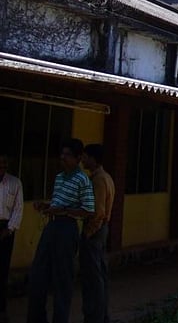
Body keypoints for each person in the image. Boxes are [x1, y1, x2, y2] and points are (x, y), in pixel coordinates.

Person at [27, 138, 95, 323]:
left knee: (62, 278)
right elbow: (57, 202)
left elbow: (88, 210)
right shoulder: (59, 177)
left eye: (68, 155)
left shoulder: (83, 180)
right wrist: (46, 206)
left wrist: (64, 210)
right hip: (52, 226)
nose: (63, 158)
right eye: (62, 154)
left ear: (78, 158)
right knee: (38, 274)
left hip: (67, 228)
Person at [79, 144, 114, 323]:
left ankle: (95, 316)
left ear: (93, 159)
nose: (83, 160)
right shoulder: (106, 177)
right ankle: (101, 315)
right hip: (101, 229)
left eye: (85, 156)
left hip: (95, 230)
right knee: (99, 274)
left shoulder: (98, 180)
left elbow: (98, 212)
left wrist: (88, 232)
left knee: (93, 277)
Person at [0, 155, 23, 323]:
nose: (2, 166)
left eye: (4, 163)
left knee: (2, 271)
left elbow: (18, 208)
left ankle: (1, 309)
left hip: (6, 228)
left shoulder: (15, 183)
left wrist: (9, 229)